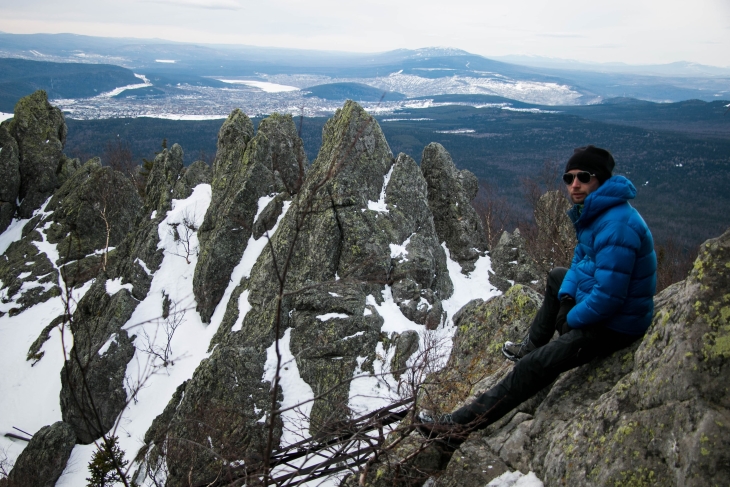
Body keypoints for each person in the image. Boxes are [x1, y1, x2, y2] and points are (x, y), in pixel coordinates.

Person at [419, 145, 657, 445]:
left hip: (616, 326)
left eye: (584, 176)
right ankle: (531, 345)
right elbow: (578, 264)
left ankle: (455, 429)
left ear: (602, 180)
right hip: (606, 310)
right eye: (568, 178)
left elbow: (610, 298)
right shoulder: (597, 214)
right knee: (558, 277)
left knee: (533, 368)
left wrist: (571, 318)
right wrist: (568, 297)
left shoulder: (617, 225)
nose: (575, 184)